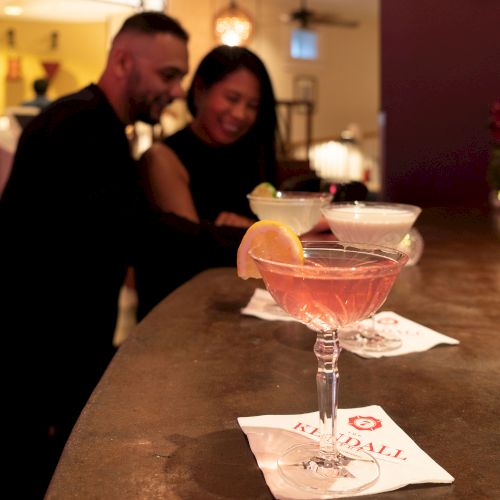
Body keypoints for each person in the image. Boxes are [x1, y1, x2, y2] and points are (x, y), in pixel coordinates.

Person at [0, 12, 244, 498]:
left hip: (58, 349)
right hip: (35, 358)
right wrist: (246, 243)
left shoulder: (100, 126)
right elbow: (140, 229)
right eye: (169, 75)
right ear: (122, 61)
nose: (176, 91)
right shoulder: (79, 128)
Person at [139, 45, 278, 228]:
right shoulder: (164, 157)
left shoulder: (252, 151)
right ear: (200, 90)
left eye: (252, 105)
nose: (240, 114)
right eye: (232, 98)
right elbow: (191, 245)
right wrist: (253, 229)